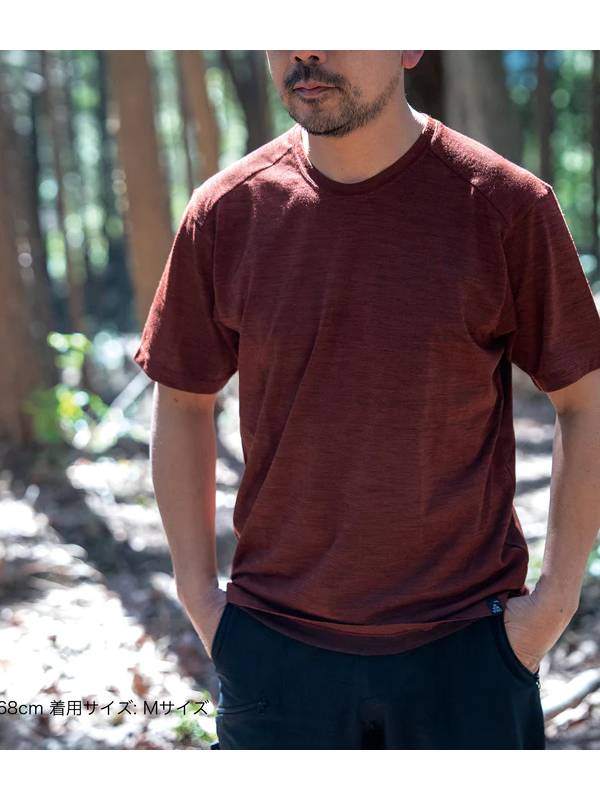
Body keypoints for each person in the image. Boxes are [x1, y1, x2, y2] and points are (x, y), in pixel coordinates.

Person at [132, 51, 600, 749]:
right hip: (273, 650)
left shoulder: (504, 205)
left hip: (467, 651)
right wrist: (201, 599)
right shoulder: (228, 210)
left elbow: (585, 402)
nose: (306, 49)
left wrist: (552, 605)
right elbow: (181, 403)